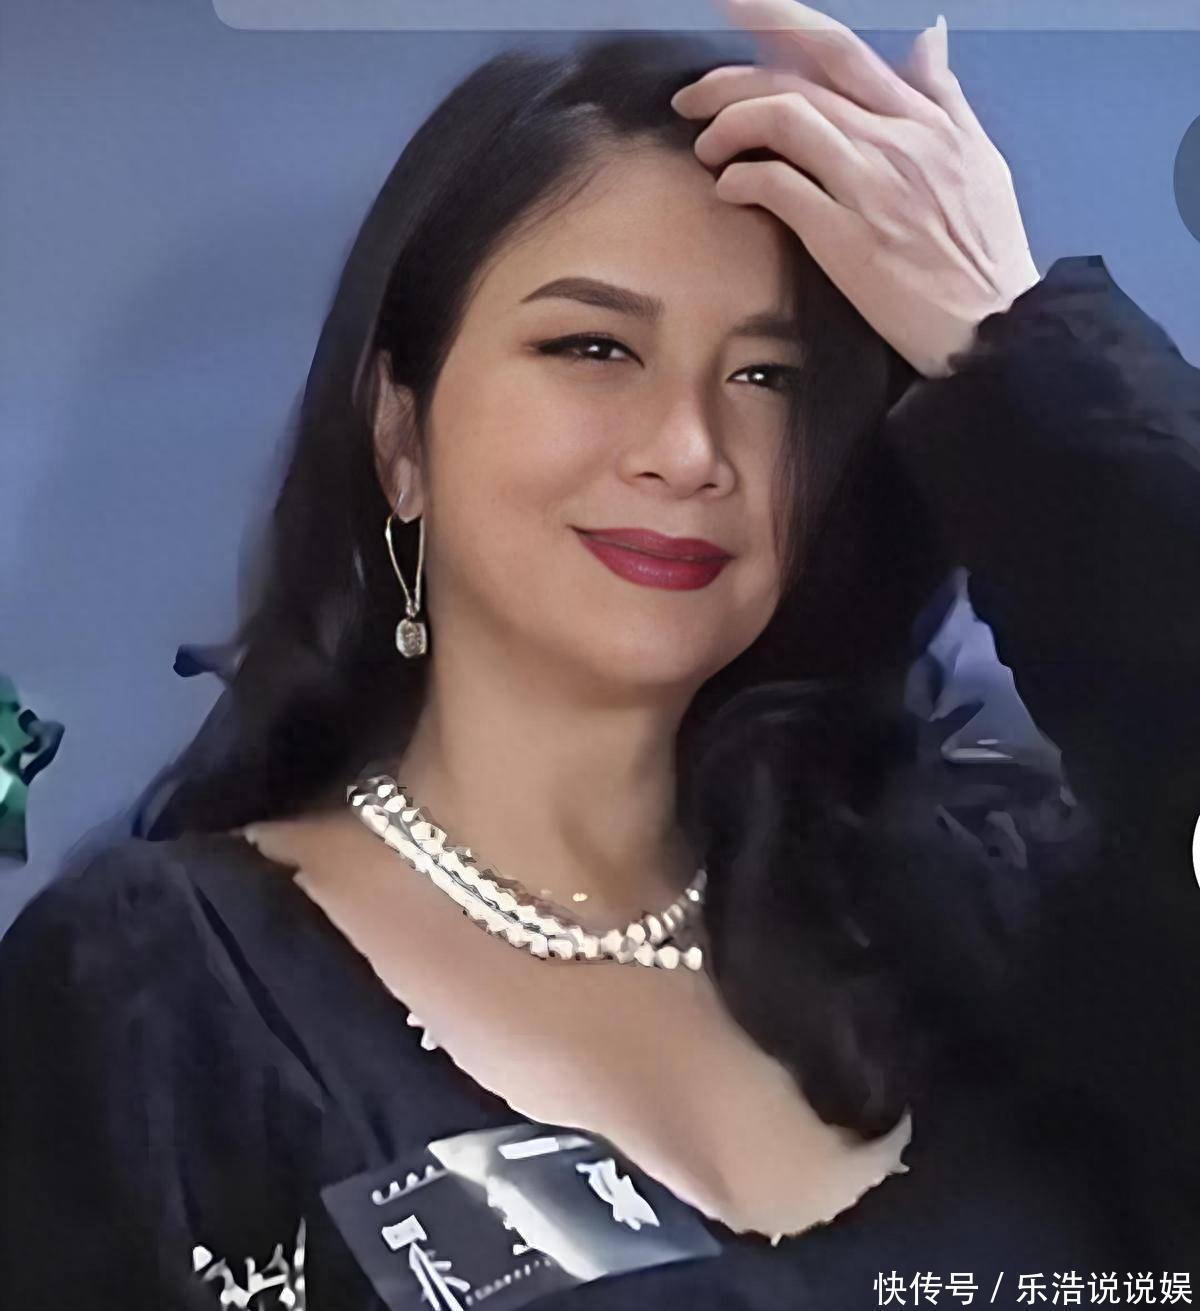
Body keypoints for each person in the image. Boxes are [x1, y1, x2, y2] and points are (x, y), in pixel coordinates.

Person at [2, 8, 1199, 1309]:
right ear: (399, 437)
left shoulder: (999, 910)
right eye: (592, 348)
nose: (689, 450)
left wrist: (1008, 343)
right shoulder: (165, 992)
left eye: (771, 378)